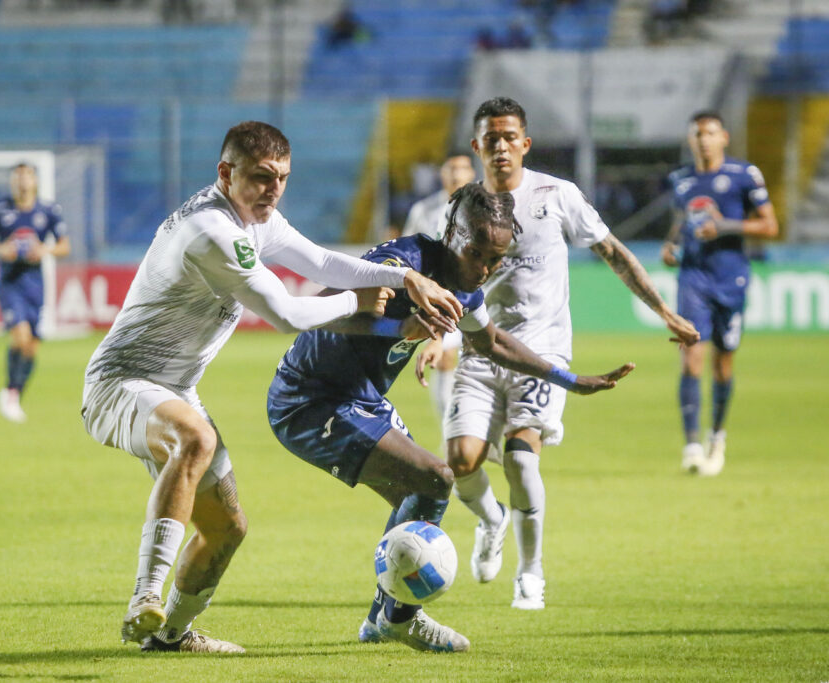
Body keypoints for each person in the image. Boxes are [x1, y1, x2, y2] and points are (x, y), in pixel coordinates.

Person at [81, 121, 462, 655]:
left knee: (227, 530)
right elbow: (285, 312)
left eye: (282, 178)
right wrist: (356, 302)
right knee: (196, 439)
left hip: (175, 389)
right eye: (262, 177)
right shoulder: (211, 230)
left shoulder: (259, 218)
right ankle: (145, 599)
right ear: (225, 173)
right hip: (120, 381)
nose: (274, 189)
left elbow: (324, 262)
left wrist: (404, 280)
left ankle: (171, 635)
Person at [267, 183, 635, 653]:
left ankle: (383, 617)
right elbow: (317, 313)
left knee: (414, 493)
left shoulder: (464, 288)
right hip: (308, 399)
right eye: (475, 252)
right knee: (435, 478)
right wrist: (395, 327)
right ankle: (403, 618)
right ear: (450, 233)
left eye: (494, 258)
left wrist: (568, 379)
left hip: (361, 399)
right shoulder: (400, 264)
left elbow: (492, 343)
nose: (482, 268)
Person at [420, 97, 699, 611]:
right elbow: (445, 281)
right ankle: (492, 520)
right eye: (491, 138)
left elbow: (612, 252)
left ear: (525, 144)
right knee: (459, 463)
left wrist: (665, 310)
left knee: (523, 463)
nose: (501, 146)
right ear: (476, 145)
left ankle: (531, 573)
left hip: (542, 351)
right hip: (483, 352)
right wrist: (438, 334)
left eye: (510, 137)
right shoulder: (459, 206)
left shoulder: (557, 195)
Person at [661, 110, 778, 476]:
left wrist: (724, 226)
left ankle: (717, 437)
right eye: (697, 134)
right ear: (689, 140)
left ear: (724, 137)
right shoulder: (681, 180)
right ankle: (692, 446)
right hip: (692, 277)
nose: (703, 139)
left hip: (730, 278)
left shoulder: (744, 176)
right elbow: (680, 223)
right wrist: (670, 245)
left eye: (710, 133)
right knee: (690, 357)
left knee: (722, 364)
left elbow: (770, 226)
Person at [0, 162, 70, 423]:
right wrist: (0, 249)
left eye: (26, 176)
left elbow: (65, 246)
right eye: (17, 177)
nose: (21, 182)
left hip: (35, 284)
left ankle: (14, 394)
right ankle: (9, 393)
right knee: (20, 336)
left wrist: (44, 250)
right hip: (10, 282)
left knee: (31, 347)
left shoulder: (48, 211)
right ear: (11, 182)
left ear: (35, 181)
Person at [401, 154, 476, 429]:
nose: (457, 175)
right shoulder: (424, 210)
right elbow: (407, 251)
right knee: (444, 359)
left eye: (462, 169)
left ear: (471, 173)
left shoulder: (481, 206)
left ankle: (466, 430)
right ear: (442, 174)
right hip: (438, 296)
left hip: (475, 295)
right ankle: (453, 430)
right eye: (451, 169)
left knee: (472, 364)